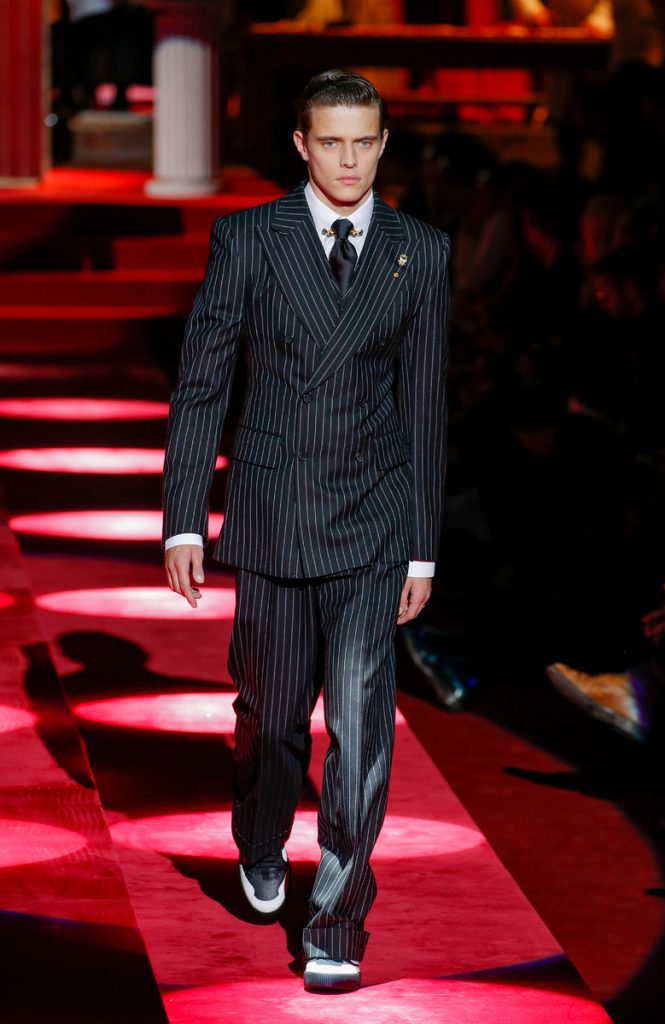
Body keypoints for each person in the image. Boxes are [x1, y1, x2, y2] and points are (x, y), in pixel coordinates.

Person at [163, 69, 450, 993]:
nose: (349, 161)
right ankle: (260, 837)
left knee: (361, 730)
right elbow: (204, 381)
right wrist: (182, 521)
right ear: (300, 144)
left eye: (364, 143)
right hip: (275, 511)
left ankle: (336, 921)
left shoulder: (420, 251)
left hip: (372, 518)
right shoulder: (249, 238)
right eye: (331, 142)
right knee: (272, 716)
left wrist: (421, 543)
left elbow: (425, 405)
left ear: (383, 143)